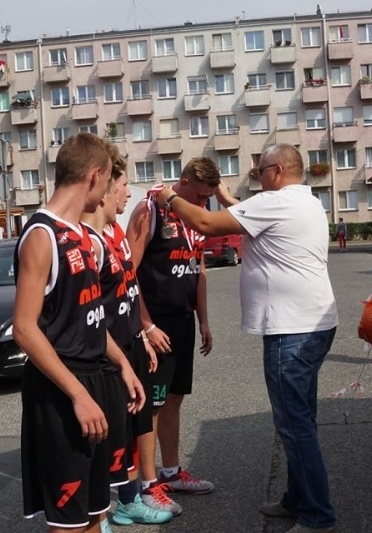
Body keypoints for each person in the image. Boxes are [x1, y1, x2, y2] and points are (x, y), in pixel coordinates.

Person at [156, 144, 339, 533]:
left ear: (275, 171)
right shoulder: (302, 201)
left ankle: (317, 516)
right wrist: (223, 194)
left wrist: (168, 196)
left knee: (295, 424)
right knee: (298, 418)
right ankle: (297, 497)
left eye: (259, 171)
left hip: (291, 329)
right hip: (311, 324)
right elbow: (242, 211)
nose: (257, 177)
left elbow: (206, 224)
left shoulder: (276, 203)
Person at [12, 132, 146, 533]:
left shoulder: (89, 238)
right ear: (94, 176)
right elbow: (23, 328)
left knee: (95, 513)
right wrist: (78, 394)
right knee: (68, 524)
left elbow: (89, 316)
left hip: (95, 380)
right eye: (108, 182)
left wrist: (122, 364)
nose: (109, 192)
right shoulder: (41, 235)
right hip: (61, 389)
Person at [81, 154, 172, 529]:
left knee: (129, 430)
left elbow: (129, 289)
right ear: (103, 191)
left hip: (131, 344)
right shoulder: (88, 238)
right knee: (104, 437)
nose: (126, 193)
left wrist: (144, 333)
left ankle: (129, 501)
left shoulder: (116, 232)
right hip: (106, 353)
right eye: (121, 187)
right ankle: (97, 513)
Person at [125, 157, 219, 516]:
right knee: (151, 405)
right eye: (199, 195)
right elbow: (128, 273)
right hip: (156, 325)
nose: (202, 204)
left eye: (208, 198)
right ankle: (147, 487)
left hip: (183, 322)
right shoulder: (150, 210)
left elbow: (200, 270)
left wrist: (204, 321)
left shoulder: (195, 216)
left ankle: (171, 471)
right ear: (182, 183)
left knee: (174, 400)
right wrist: (145, 326)